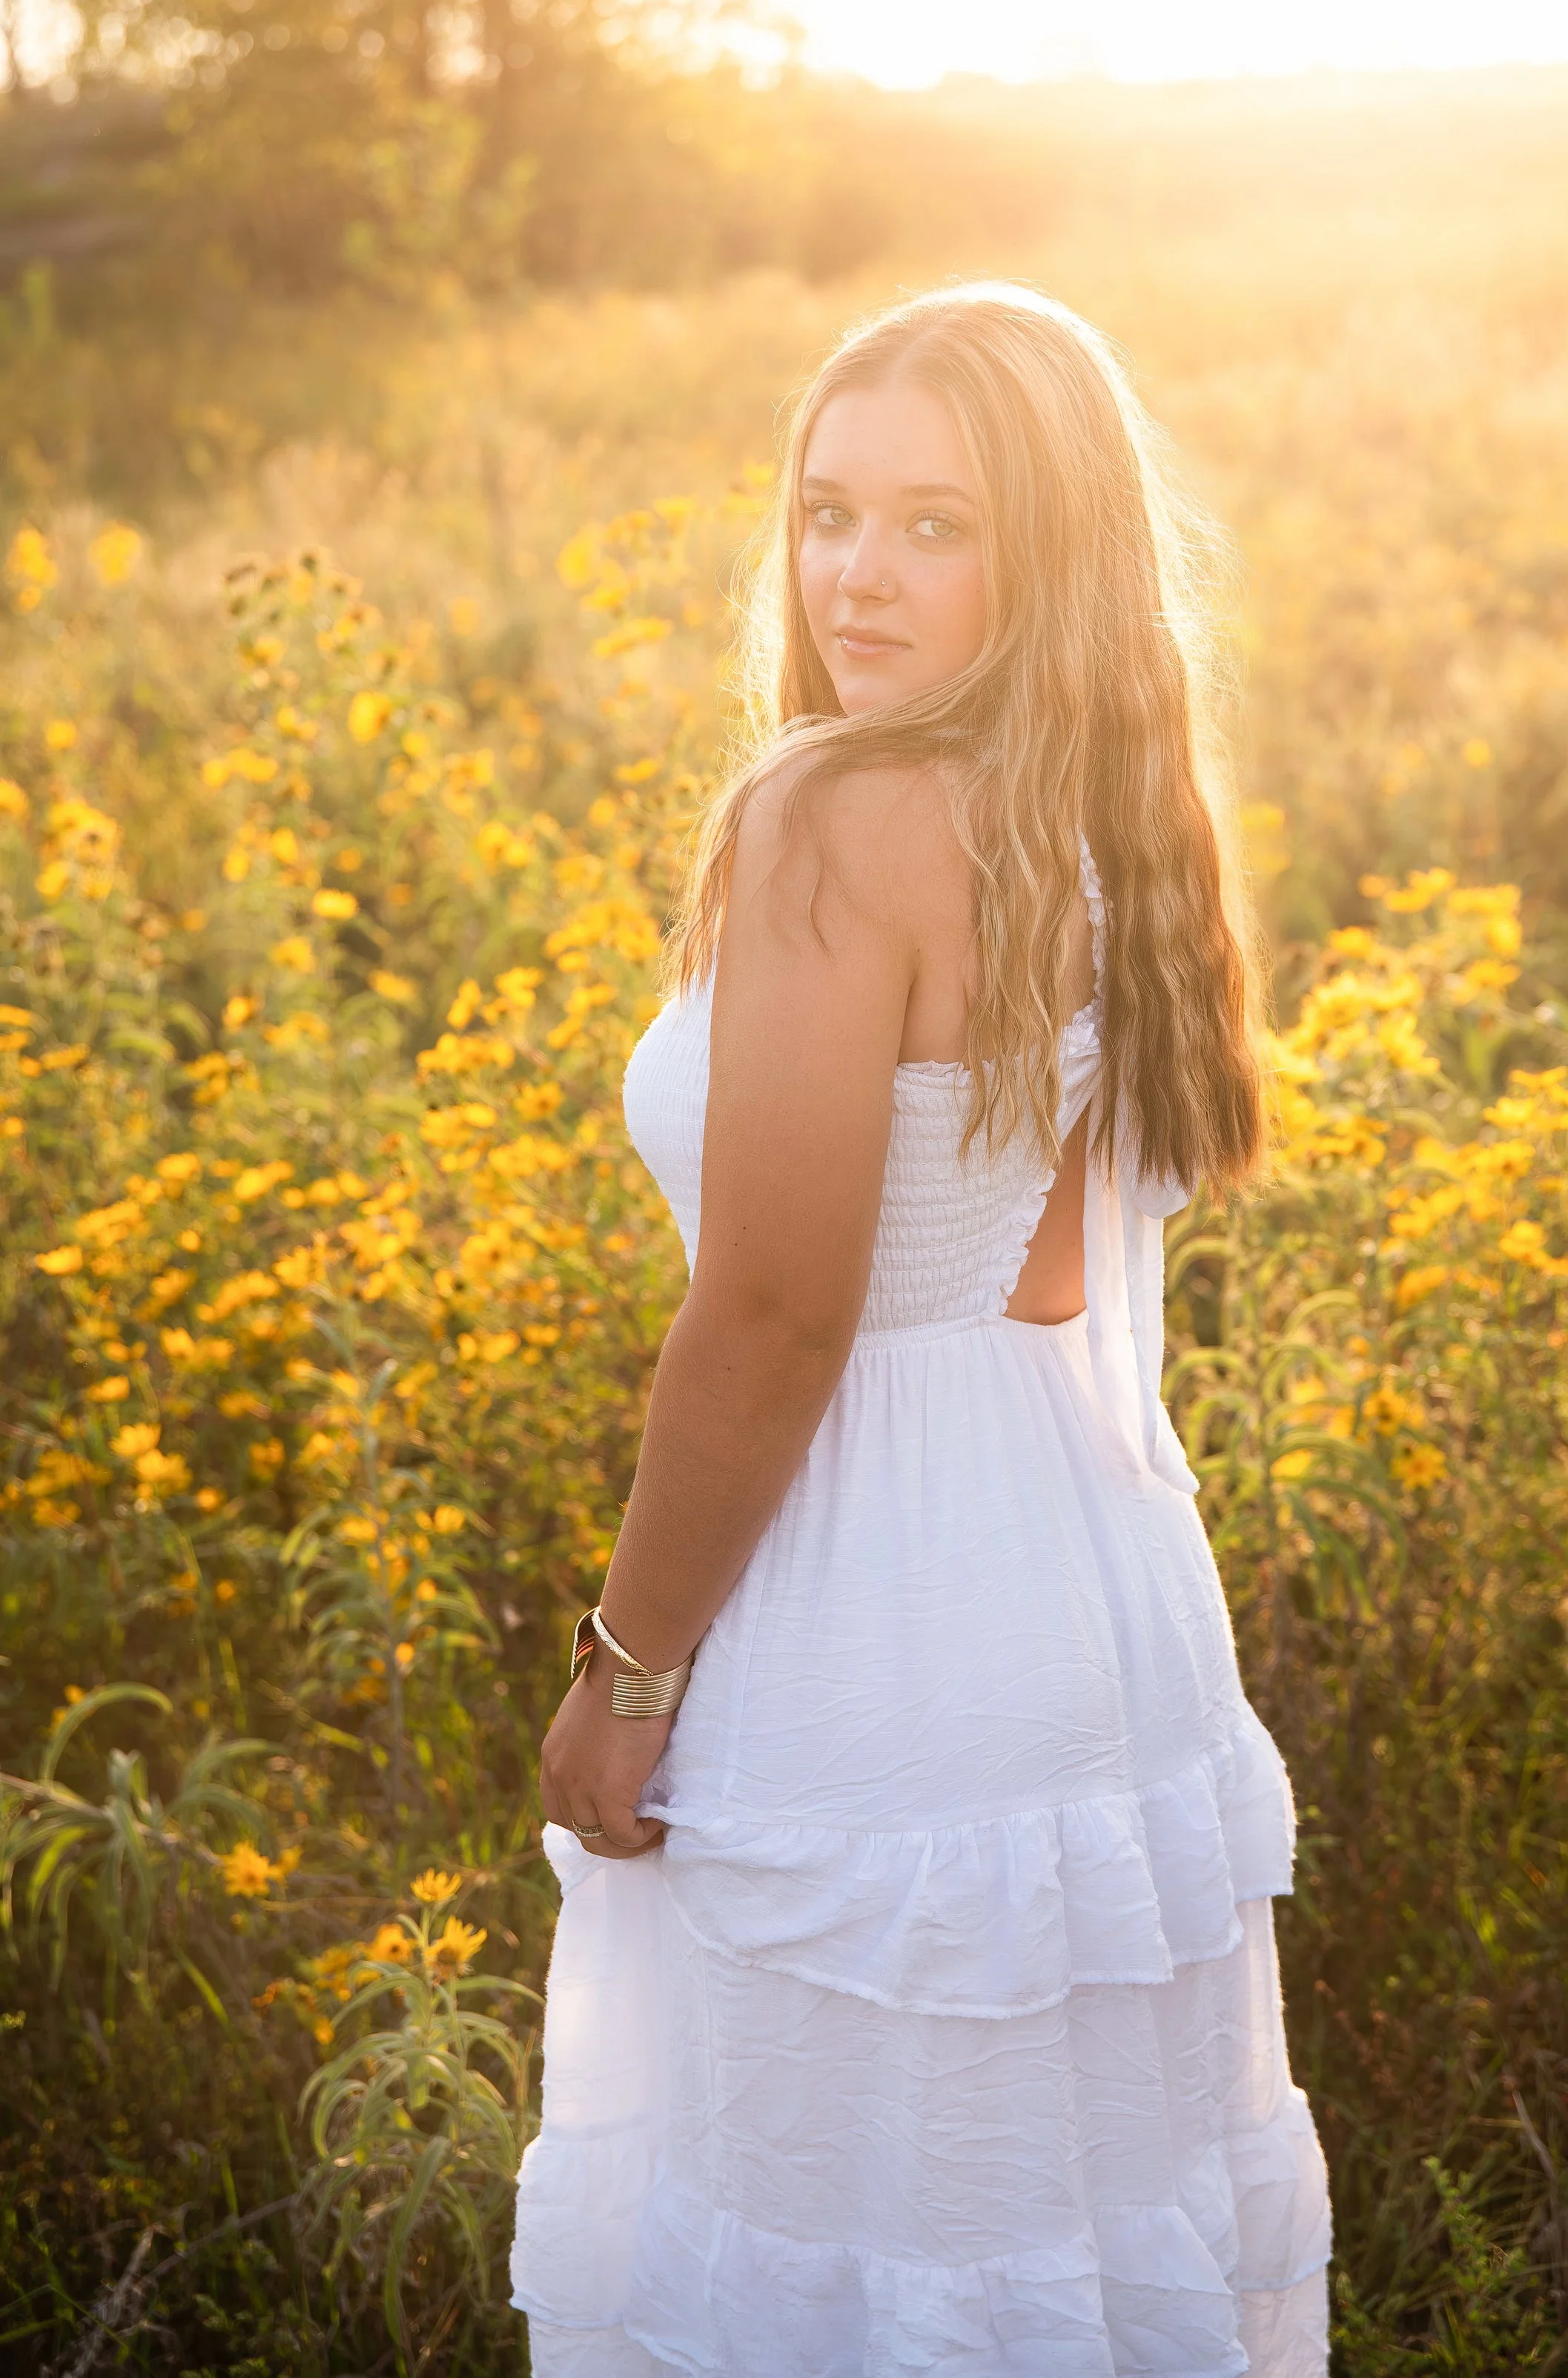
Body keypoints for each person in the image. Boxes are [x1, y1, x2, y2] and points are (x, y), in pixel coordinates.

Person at [511, 283, 1332, 2375]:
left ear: (1045, 552)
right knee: (1040, 2250)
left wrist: (627, 1668)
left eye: (934, 526)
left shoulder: (828, 817)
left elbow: (779, 1315)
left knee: (842, 2270)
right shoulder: (1112, 806)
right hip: (1086, 1599)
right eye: (825, 512)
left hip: (866, 1627)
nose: (856, 575)